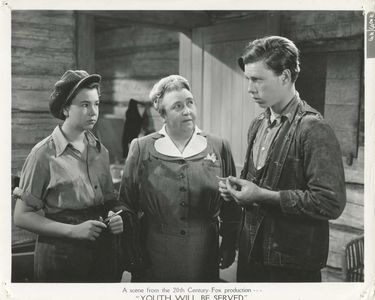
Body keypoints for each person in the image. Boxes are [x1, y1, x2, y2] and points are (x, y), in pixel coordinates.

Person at [219, 36, 346, 282]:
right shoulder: (258, 123)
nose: (249, 88)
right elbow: (254, 183)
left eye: (257, 80)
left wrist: (262, 196)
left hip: (290, 268)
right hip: (250, 258)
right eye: (248, 79)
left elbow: (330, 202)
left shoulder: (313, 128)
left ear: (285, 77)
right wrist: (236, 190)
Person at [118, 75, 242, 282]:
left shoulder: (219, 146)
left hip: (205, 252)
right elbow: (126, 203)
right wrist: (131, 250)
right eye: (177, 106)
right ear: (163, 114)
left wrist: (230, 243)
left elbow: (232, 203)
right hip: (153, 253)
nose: (187, 111)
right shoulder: (141, 147)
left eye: (190, 103)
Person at [13, 70, 125, 282]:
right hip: (61, 256)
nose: (93, 111)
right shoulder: (43, 154)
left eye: (96, 103)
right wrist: (73, 231)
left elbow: (108, 201)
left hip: (102, 253)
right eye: (84, 105)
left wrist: (115, 216)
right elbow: (21, 216)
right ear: (65, 108)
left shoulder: (101, 151)